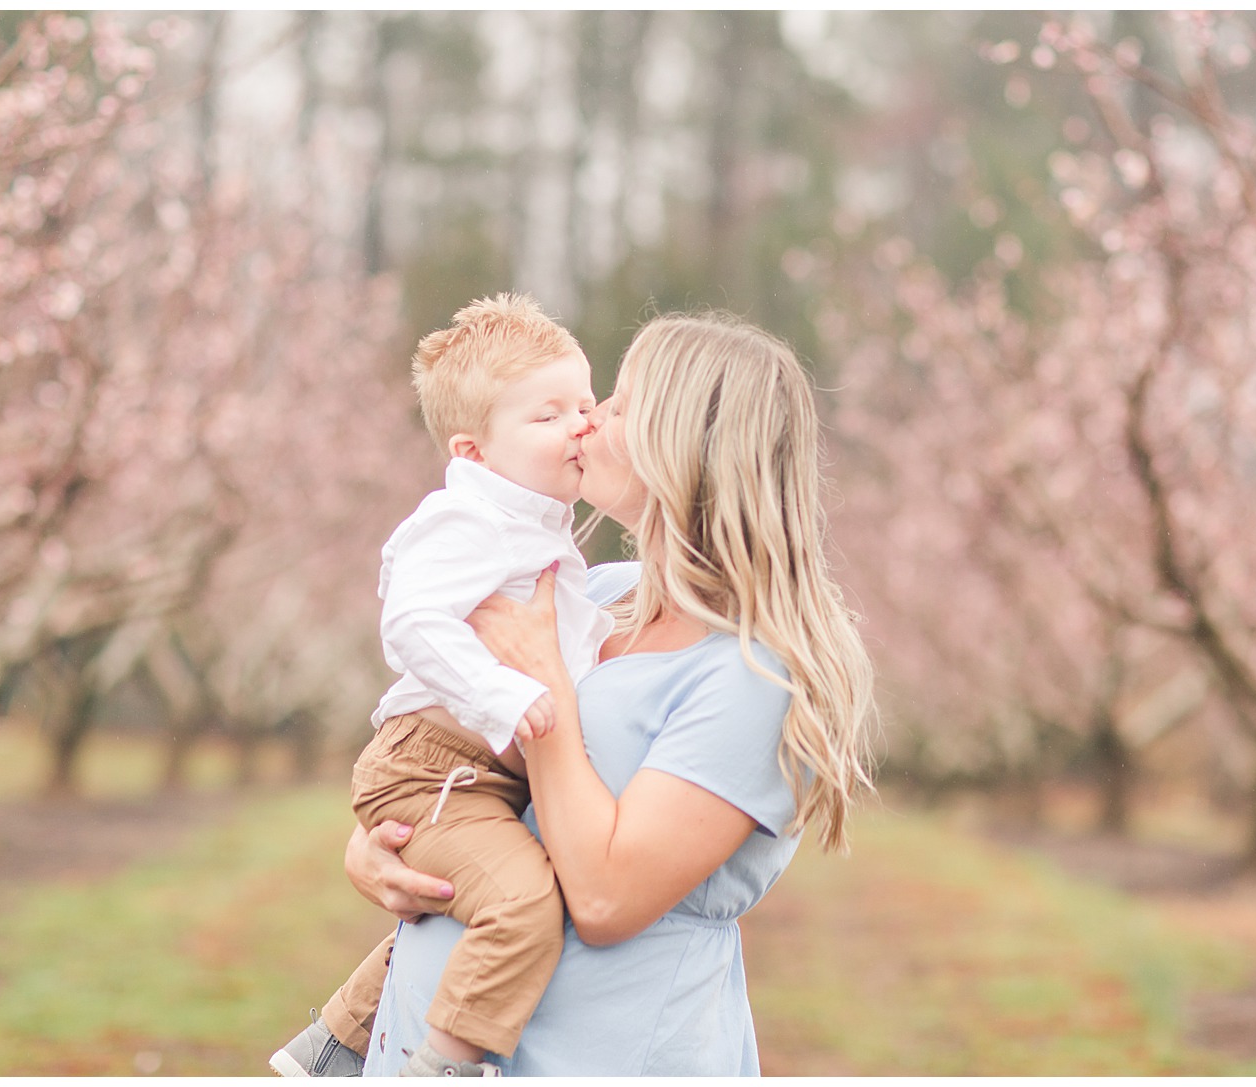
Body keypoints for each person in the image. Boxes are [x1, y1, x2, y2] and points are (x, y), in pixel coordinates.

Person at [298, 310, 876, 1076]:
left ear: (685, 448)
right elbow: (453, 749)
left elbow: (604, 899)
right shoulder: (591, 595)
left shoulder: (752, 674)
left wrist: (548, 701)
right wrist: (375, 851)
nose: (590, 420)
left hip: (597, 1050)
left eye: (621, 404)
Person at [270, 294, 610, 1077]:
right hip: (437, 762)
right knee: (521, 902)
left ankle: (332, 1046)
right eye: (549, 414)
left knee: (476, 897)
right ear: (475, 451)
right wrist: (501, 693)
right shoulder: (466, 520)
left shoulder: (537, 524)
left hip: (476, 768)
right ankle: (444, 1064)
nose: (581, 425)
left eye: (587, 404)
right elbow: (413, 623)